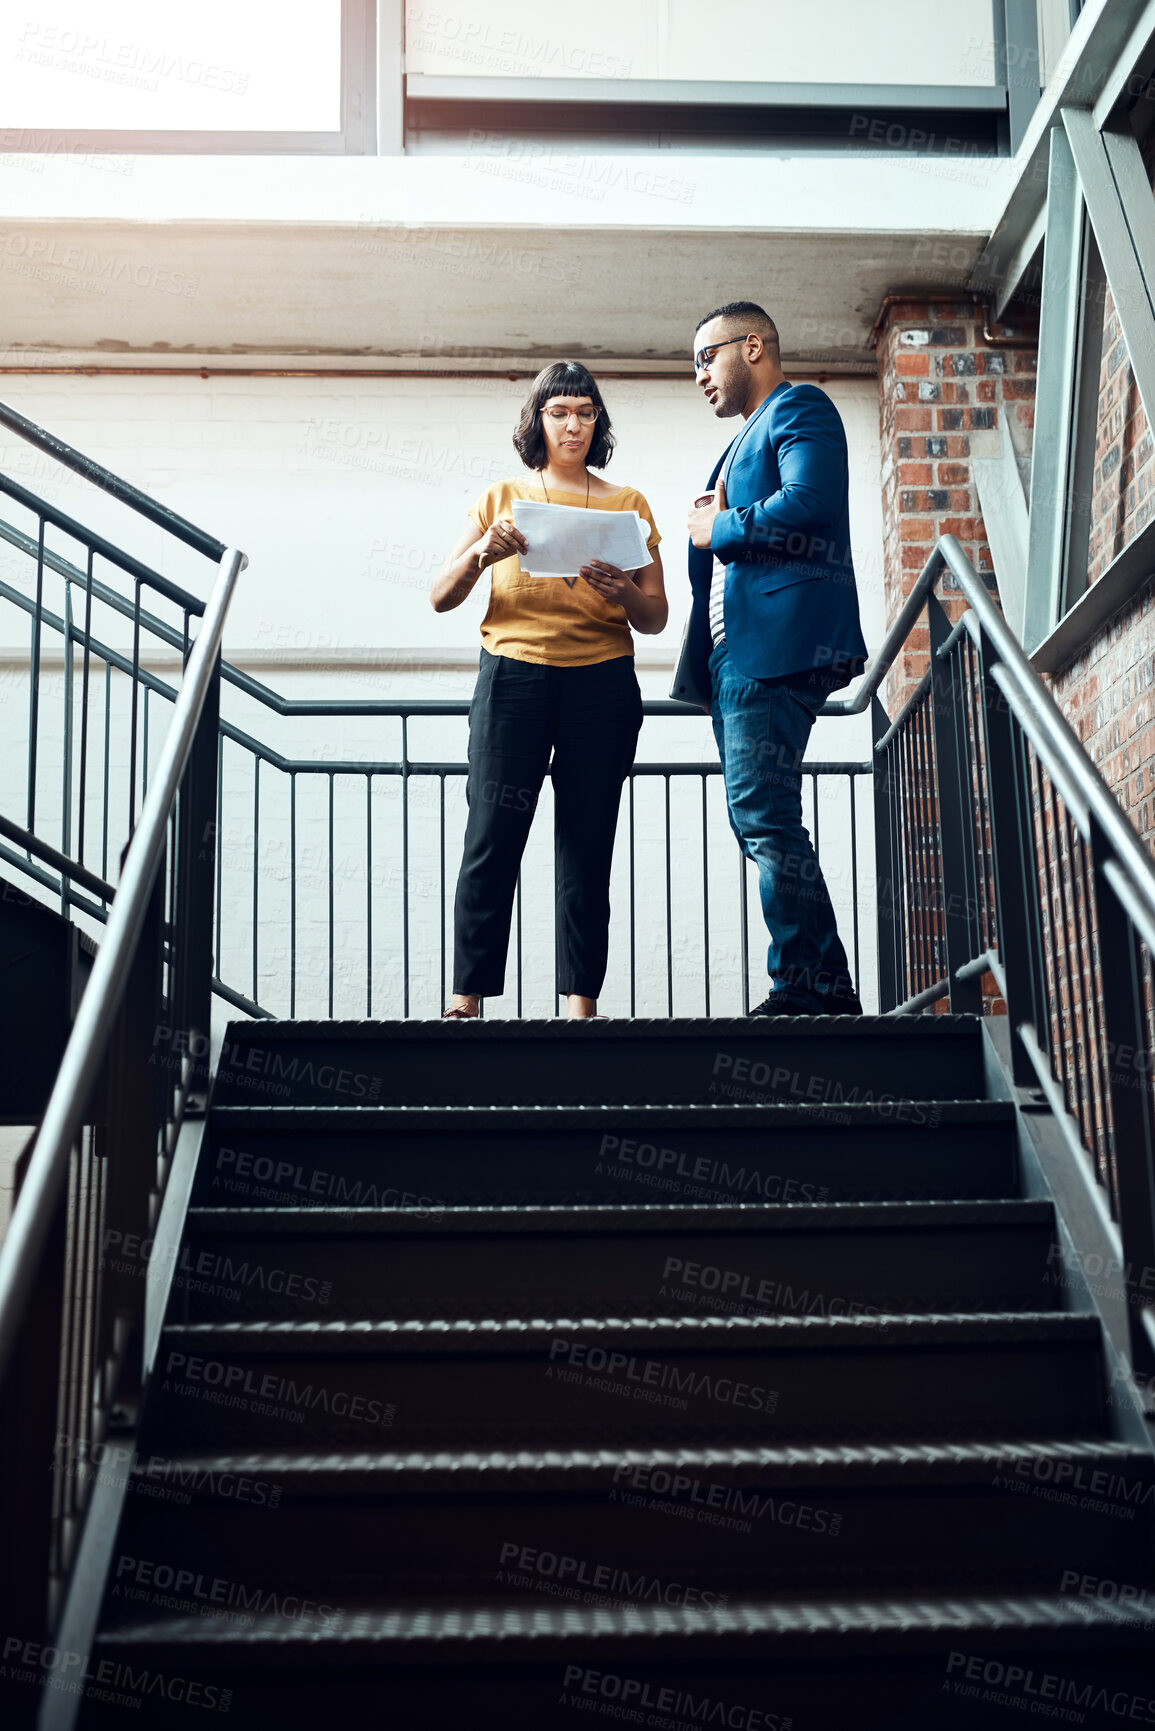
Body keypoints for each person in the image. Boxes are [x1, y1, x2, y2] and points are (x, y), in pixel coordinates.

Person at [431, 360, 667, 1019]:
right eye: (559, 411)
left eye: (585, 412)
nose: (573, 424)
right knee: (491, 837)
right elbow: (440, 597)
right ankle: (466, 998)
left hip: (602, 684)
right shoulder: (500, 498)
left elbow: (655, 616)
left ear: (599, 423)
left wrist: (623, 590)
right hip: (512, 680)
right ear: (537, 420)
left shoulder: (626, 503)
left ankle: (579, 1005)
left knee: (587, 844)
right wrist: (483, 555)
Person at [685, 301, 868, 1015]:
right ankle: (817, 977)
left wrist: (719, 525)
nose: (698, 375)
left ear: (752, 345)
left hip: (778, 648)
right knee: (756, 815)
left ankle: (811, 984)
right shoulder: (739, 443)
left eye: (707, 357)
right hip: (739, 656)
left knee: (763, 813)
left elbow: (809, 501)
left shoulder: (800, 408)